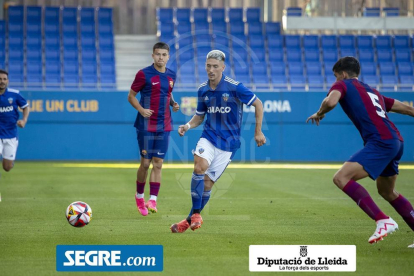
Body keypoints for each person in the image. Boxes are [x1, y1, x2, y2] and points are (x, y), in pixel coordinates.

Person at [307, 57, 414, 247]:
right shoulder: (373, 91)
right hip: (396, 141)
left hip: (380, 141)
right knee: (387, 191)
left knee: (341, 178)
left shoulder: (342, 85)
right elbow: (406, 108)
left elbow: (331, 102)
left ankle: (382, 220)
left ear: (343, 74)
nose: (335, 79)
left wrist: (320, 112)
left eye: (336, 76)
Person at [170, 50, 266, 233]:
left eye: (215, 66)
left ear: (223, 67)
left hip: (229, 144)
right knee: (199, 167)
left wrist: (258, 131)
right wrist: (187, 126)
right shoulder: (202, 89)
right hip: (209, 136)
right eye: (208, 66)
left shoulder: (234, 87)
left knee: (206, 185)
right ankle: (196, 215)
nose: (211, 70)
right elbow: (199, 116)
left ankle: (189, 219)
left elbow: (258, 104)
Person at [128, 42, 180, 216]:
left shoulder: (172, 75)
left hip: (164, 125)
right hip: (146, 125)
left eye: (164, 55)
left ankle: (153, 200)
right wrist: (141, 110)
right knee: (145, 163)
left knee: (158, 164)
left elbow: (167, 92)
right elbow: (131, 96)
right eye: (158, 54)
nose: (161, 57)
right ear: (152, 55)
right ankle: (140, 196)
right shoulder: (144, 74)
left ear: (168, 57)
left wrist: (173, 103)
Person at [0, 69, 30, 172]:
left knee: (7, 167)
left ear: (7, 81)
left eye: (4, 79)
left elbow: (26, 107)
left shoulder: (15, 94)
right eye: (0, 79)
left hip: (10, 134)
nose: (2, 81)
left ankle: (10, 162)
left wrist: (24, 120)